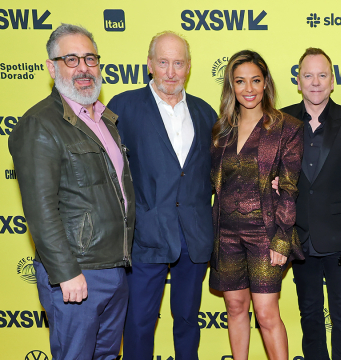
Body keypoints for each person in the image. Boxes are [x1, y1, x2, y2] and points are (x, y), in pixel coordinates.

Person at [8, 24, 134, 359]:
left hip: (114, 269)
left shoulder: (105, 120)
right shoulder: (40, 124)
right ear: (52, 67)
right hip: (77, 275)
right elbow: (41, 210)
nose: (83, 68)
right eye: (71, 59)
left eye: (90, 58)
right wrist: (66, 273)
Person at [107, 31, 217, 359]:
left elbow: (219, 171)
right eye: (164, 62)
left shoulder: (205, 112)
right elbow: (108, 171)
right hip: (144, 235)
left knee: (187, 320)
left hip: (193, 237)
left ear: (189, 67)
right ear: (150, 64)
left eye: (178, 63)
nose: (171, 71)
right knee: (139, 322)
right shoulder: (122, 106)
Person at [210, 50, 304, 360]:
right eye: (240, 82)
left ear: (265, 84)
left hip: (265, 234)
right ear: (231, 87)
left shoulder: (286, 128)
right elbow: (215, 183)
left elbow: (289, 189)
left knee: (266, 313)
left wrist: (282, 237)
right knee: (235, 307)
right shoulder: (221, 131)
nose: (248, 89)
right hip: (226, 233)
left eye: (255, 80)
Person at [281, 48, 341, 360]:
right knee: (310, 316)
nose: (315, 82)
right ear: (299, 82)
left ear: (333, 81)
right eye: (308, 75)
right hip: (300, 240)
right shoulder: (281, 120)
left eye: (322, 75)